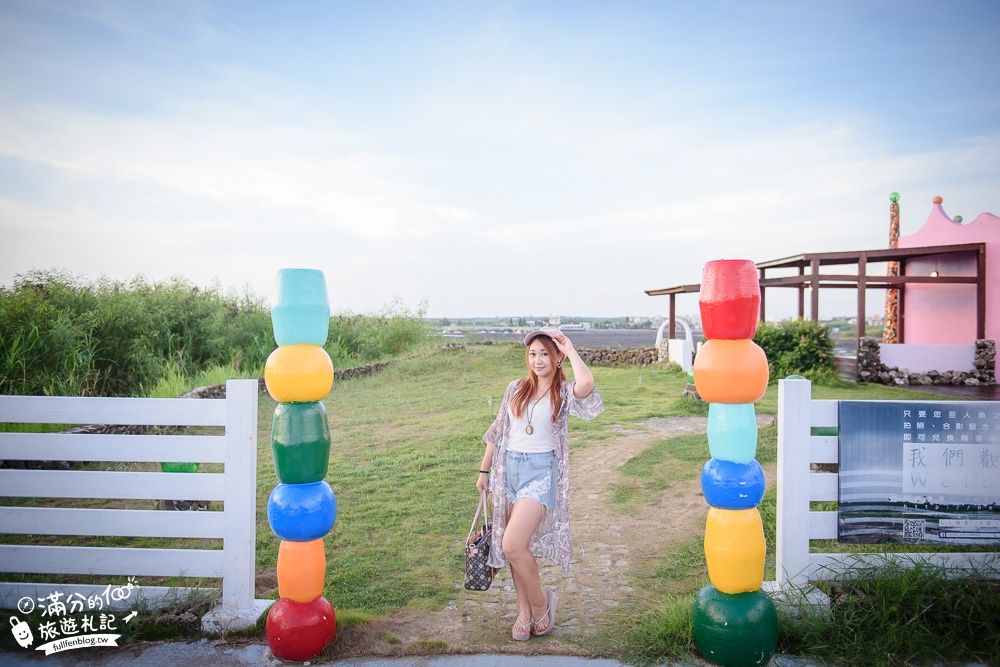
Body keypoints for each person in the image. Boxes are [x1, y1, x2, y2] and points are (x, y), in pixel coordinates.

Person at [476, 327, 604, 641]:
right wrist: (483, 472)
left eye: (545, 353)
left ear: (557, 357)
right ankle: (524, 613)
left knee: (511, 543)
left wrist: (570, 348)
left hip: (540, 473)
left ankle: (541, 603)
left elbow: (587, 385)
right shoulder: (515, 388)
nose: (538, 360)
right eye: (533, 354)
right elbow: (497, 431)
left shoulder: (563, 391)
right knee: (517, 548)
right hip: (509, 473)